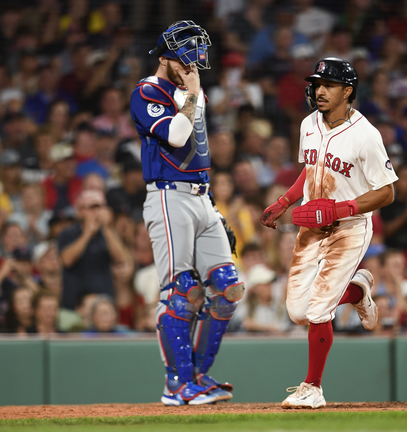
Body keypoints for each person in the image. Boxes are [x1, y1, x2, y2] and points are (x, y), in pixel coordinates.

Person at [260, 57, 398, 409]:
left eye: (329, 85)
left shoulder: (366, 135)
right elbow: (310, 170)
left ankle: (313, 387)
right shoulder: (308, 123)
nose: (319, 90)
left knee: (319, 310)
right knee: (297, 312)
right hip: (312, 227)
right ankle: (356, 292)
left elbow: (387, 192)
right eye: (317, 84)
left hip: (349, 227)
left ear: (347, 91)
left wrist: (342, 208)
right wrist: (285, 200)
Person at [129, 20, 244, 407]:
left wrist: (209, 206)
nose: (193, 64)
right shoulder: (148, 91)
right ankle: (177, 384)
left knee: (228, 288)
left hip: (200, 196)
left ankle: (198, 376)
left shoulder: (190, 92)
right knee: (182, 292)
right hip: (167, 195)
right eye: (186, 57)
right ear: (166, 58)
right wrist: (192, 92)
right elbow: (176, 136)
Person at [57, 189, 130, 311]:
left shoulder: (109, 234)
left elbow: (121, 259)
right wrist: (87, 234)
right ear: (80, 211)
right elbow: (66, 260)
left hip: (105, 304)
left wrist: (107, 228)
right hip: (74, 306)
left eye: (100, 207)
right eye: (92, 207)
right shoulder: (68, 233)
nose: (97, 212)